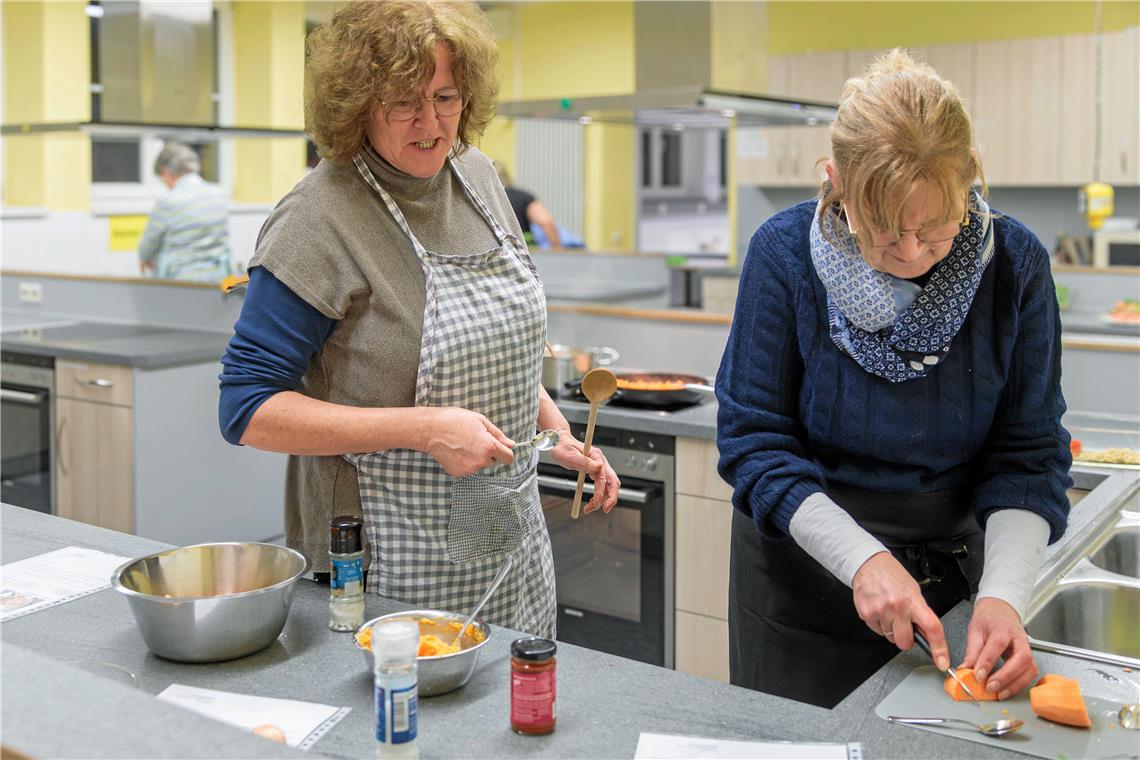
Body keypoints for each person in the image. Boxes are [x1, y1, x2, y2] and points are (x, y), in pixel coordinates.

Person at [217, 0, 619, 638]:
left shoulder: (479, 178)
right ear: (356, 103)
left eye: (447, 96)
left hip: (506, 538)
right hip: (382, 556)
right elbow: (246, 409)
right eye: (404, 101)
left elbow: (493, 345)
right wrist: (426, 429)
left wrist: (554, 431)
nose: (431, 122)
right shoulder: (317, 218)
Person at [716, 50, 1071, 708]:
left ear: (970, 184)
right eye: (881, 228)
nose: (908, 253)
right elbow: (754, 443)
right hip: (802, 590)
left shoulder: (1015, 265)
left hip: (955, 590)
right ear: (834, 181)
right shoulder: (784, 254)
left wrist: (1004, 597)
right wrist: (864, 559)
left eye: (933, 229)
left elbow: (1027, 453)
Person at [137, 143, 232, 282]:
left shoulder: (168, 201)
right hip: (219, 280)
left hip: (182, 284)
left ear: (166, 172)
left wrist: (145, 258)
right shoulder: (218, 195)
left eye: (162, 179)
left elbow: (147, 247)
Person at [494, 162, 564, 248]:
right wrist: (557, 249)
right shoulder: (523, 197)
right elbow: (546, 222)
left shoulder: (482, 199)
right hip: (516, 252)